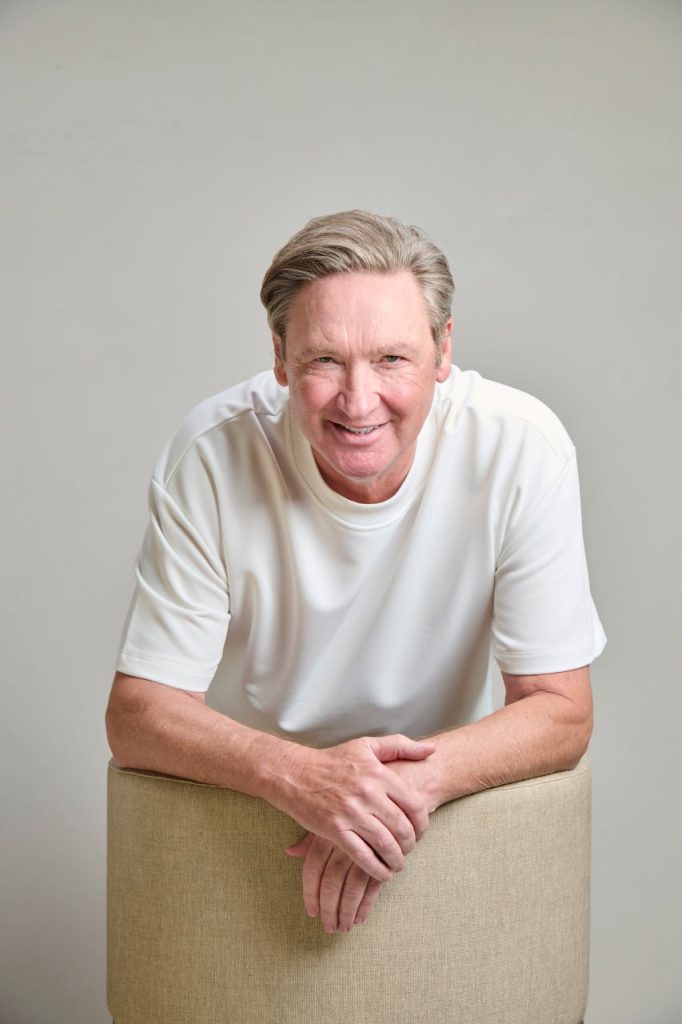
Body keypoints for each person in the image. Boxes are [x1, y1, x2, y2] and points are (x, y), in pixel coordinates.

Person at [105, 209, 606, 935]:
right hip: (251, 821)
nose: (359, 400)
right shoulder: (211, 454)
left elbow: (562, 710)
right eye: (324, 360)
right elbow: (136, 717)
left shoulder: (523, 448)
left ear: (443, 350)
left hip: (444, 818)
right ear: (280, 358)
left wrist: (380, 794)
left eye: (392, 358)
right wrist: (304, 778)